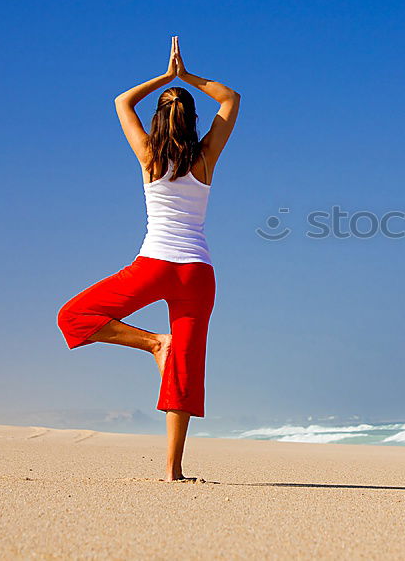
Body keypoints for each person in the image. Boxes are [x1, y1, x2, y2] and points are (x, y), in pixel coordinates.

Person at [56, 36, 240, 481]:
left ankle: (154, 343)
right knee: (186, 369)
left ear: (157, 119)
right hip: (197, 273)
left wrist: (166, 75)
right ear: (195, 119)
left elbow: (123, 101)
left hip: (153, 266)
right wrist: (187, 76)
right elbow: (230, 97)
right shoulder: (206, 158)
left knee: (73, 316)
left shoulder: (148, 157)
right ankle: (173, 471)